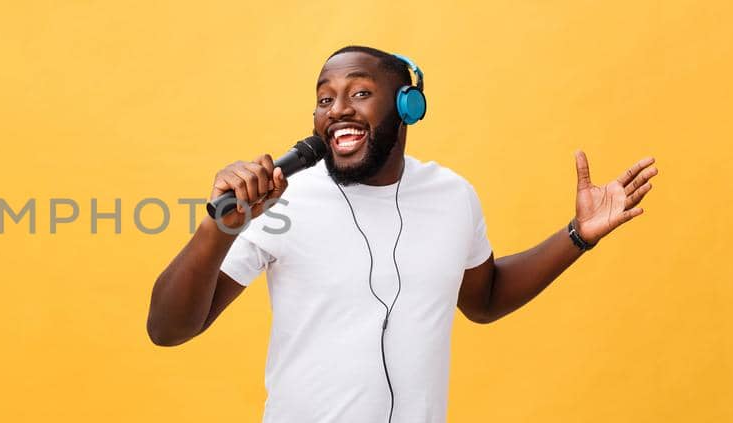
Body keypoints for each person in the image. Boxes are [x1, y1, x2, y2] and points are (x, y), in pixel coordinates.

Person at [145, 45, 659, 422]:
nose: (338, 109)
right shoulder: (284, 201)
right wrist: (219, 230)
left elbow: (485, 299)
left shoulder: (453, 196)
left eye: (360, 92)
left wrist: (577, 235)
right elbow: (169, 329)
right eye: (325, 99)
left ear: (407, 107)